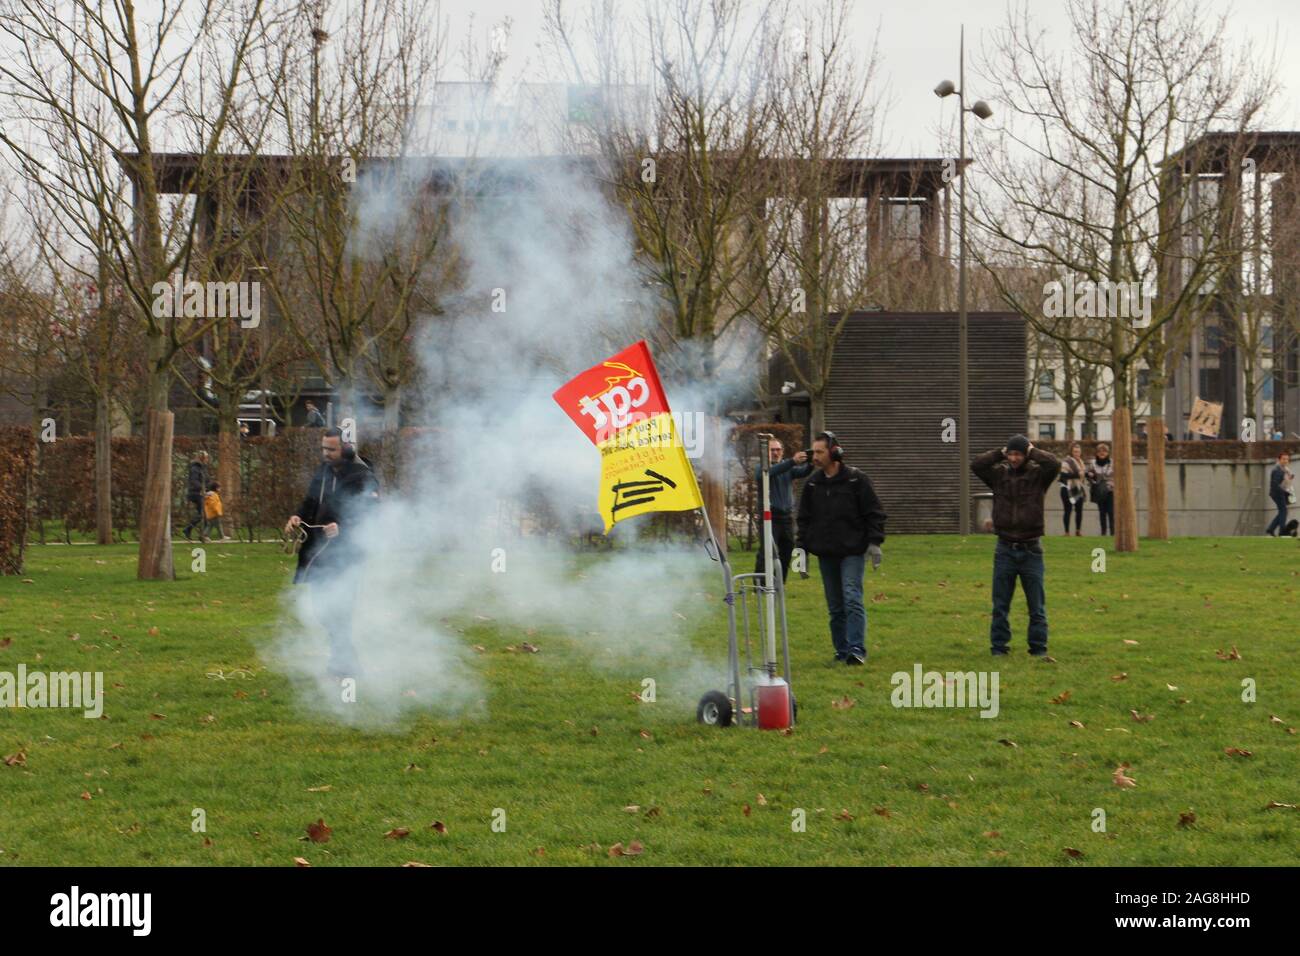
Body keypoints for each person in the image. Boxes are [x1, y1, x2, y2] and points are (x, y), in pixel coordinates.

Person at [284, 428, 380, 678]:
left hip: (347, 554)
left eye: (331, 449)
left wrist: (343, 527)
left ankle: (344, 666)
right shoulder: (323, 471)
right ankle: (344, 662)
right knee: (321, 610)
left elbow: (371, 515)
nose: (325, 454)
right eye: (323, 449)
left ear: (346, 448)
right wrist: (297, 516)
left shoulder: (363, 476)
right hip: (318, 552)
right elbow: (310, 502)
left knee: (340, 610)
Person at [796, 431, 887, 666]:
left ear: (834, 453)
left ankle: (856, 649)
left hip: (852, 552)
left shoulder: (857, 481)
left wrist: (874, 543)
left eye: (819, 452)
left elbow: (874, 512)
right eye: (813, 452)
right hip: (826, 553)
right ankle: (841, 649)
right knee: (835, 605)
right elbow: (804, 520)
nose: (814, 456)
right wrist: (801, 552)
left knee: (852, 597)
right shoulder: (812, 484)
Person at [972, 435, 1061, 658]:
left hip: (1031, 549)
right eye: (1010, 454)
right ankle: (999, 647)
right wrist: (999, 453)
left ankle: (1038, 649)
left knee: (1036, 606)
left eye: (1018, 454)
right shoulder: (998, 476)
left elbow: (1054, 464)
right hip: (1004, 548)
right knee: (1000, 604)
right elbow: (977, 464)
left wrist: (1031, 451)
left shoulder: (1038, 476)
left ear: (1025, 455)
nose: (1013, 458)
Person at [754, 437, 812, 583]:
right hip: (770, 517)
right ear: (765, 452)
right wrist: (792, 461)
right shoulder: (761, 467)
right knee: (767, 551)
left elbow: (803, 472)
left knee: (787, 551)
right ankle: (760, 585)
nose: (775, 452)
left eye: (778, 450)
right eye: (772, 450)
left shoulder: (787, 467)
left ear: (782, 451)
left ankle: (779, 582)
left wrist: (812, 461)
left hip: (786, 517)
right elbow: (770, 472)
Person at [1086, 443, 1115, 535]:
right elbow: (1089, 476)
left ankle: (1113, 532)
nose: (1102, 453)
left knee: (1111, 512)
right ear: (1097, 453)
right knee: (1102, 512)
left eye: (1105, 451)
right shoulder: (1093, 463)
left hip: (1110, 490)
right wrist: (1091, 476)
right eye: (1100, 451)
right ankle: (1103, 532)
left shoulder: (1112, 463)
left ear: (1108, 453)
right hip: (1099, 491)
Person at [1058, 442, 1086, 536]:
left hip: (1078, 487)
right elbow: (1063, 475)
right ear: (1071, 452)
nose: (1077, 453)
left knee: (1079, 510)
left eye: (1078, 451)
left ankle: (1078, 530)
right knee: (1067, 510)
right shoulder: (1067, 461)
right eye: (1075, 451)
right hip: (1067, 488)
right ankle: (1066, 532)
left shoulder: (1081, 462)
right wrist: (1077, 475)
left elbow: (1082, 476)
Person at [182, 450, 210, 542]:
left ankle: (188, 530)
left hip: (200, 492)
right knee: (203, 514)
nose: (207, 459)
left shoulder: (202, 468)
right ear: (202, 458)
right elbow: (194, 481)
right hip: (196, 493)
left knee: (202, 514)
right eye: (206, 457)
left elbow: (206, 480)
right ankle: (203, 535)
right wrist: (202, 488)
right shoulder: (195, 468)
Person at [1265, 451, 1295, 537]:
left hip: (1280, 492)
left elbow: (1285, 480)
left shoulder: (1284, 469)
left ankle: (1271, 529)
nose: (1286, 461)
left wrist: (1290, 477)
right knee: (1283, 511)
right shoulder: (1277, 469)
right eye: (1284, 459)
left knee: (1282, 511)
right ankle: (1282, 531)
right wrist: (1284, 492)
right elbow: (1275, 484)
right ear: (1279, 459)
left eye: (1287, 459)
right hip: (1278, 493)